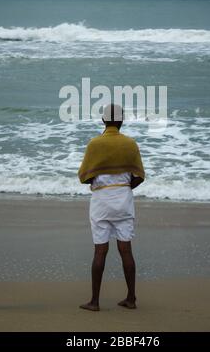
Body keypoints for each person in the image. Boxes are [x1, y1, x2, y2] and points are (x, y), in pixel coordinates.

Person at [78, 103, 145, 311]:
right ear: (121, 121)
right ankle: (131, 299)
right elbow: (139, 176)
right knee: (126, 250)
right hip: (124, 200)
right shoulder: (130, 144)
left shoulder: (94, 144)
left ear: (103, 121)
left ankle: (94, 302)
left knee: (100, 251)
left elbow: (84, 177)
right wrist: (124, 189)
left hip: (101, 203)